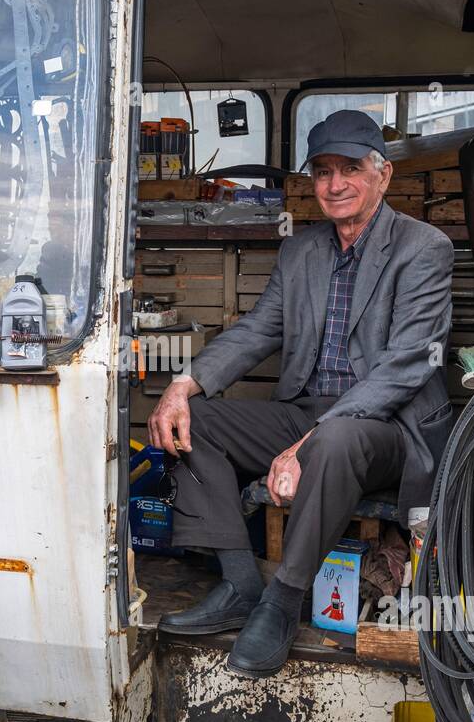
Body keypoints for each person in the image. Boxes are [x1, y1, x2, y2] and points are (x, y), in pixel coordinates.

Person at [147, 109, 455, 679]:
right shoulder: (303, 250)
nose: (335, 184)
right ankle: (239, 583)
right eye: (322, 171)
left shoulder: (424, 248)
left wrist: (305, 446)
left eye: (350, 169)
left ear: (382, 174)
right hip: (306, 414)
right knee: (197, 422)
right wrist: (182, 385)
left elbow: (405, 367)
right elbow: (259, 329)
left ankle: (282, 600)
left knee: (336, 438)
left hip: (387, 428)